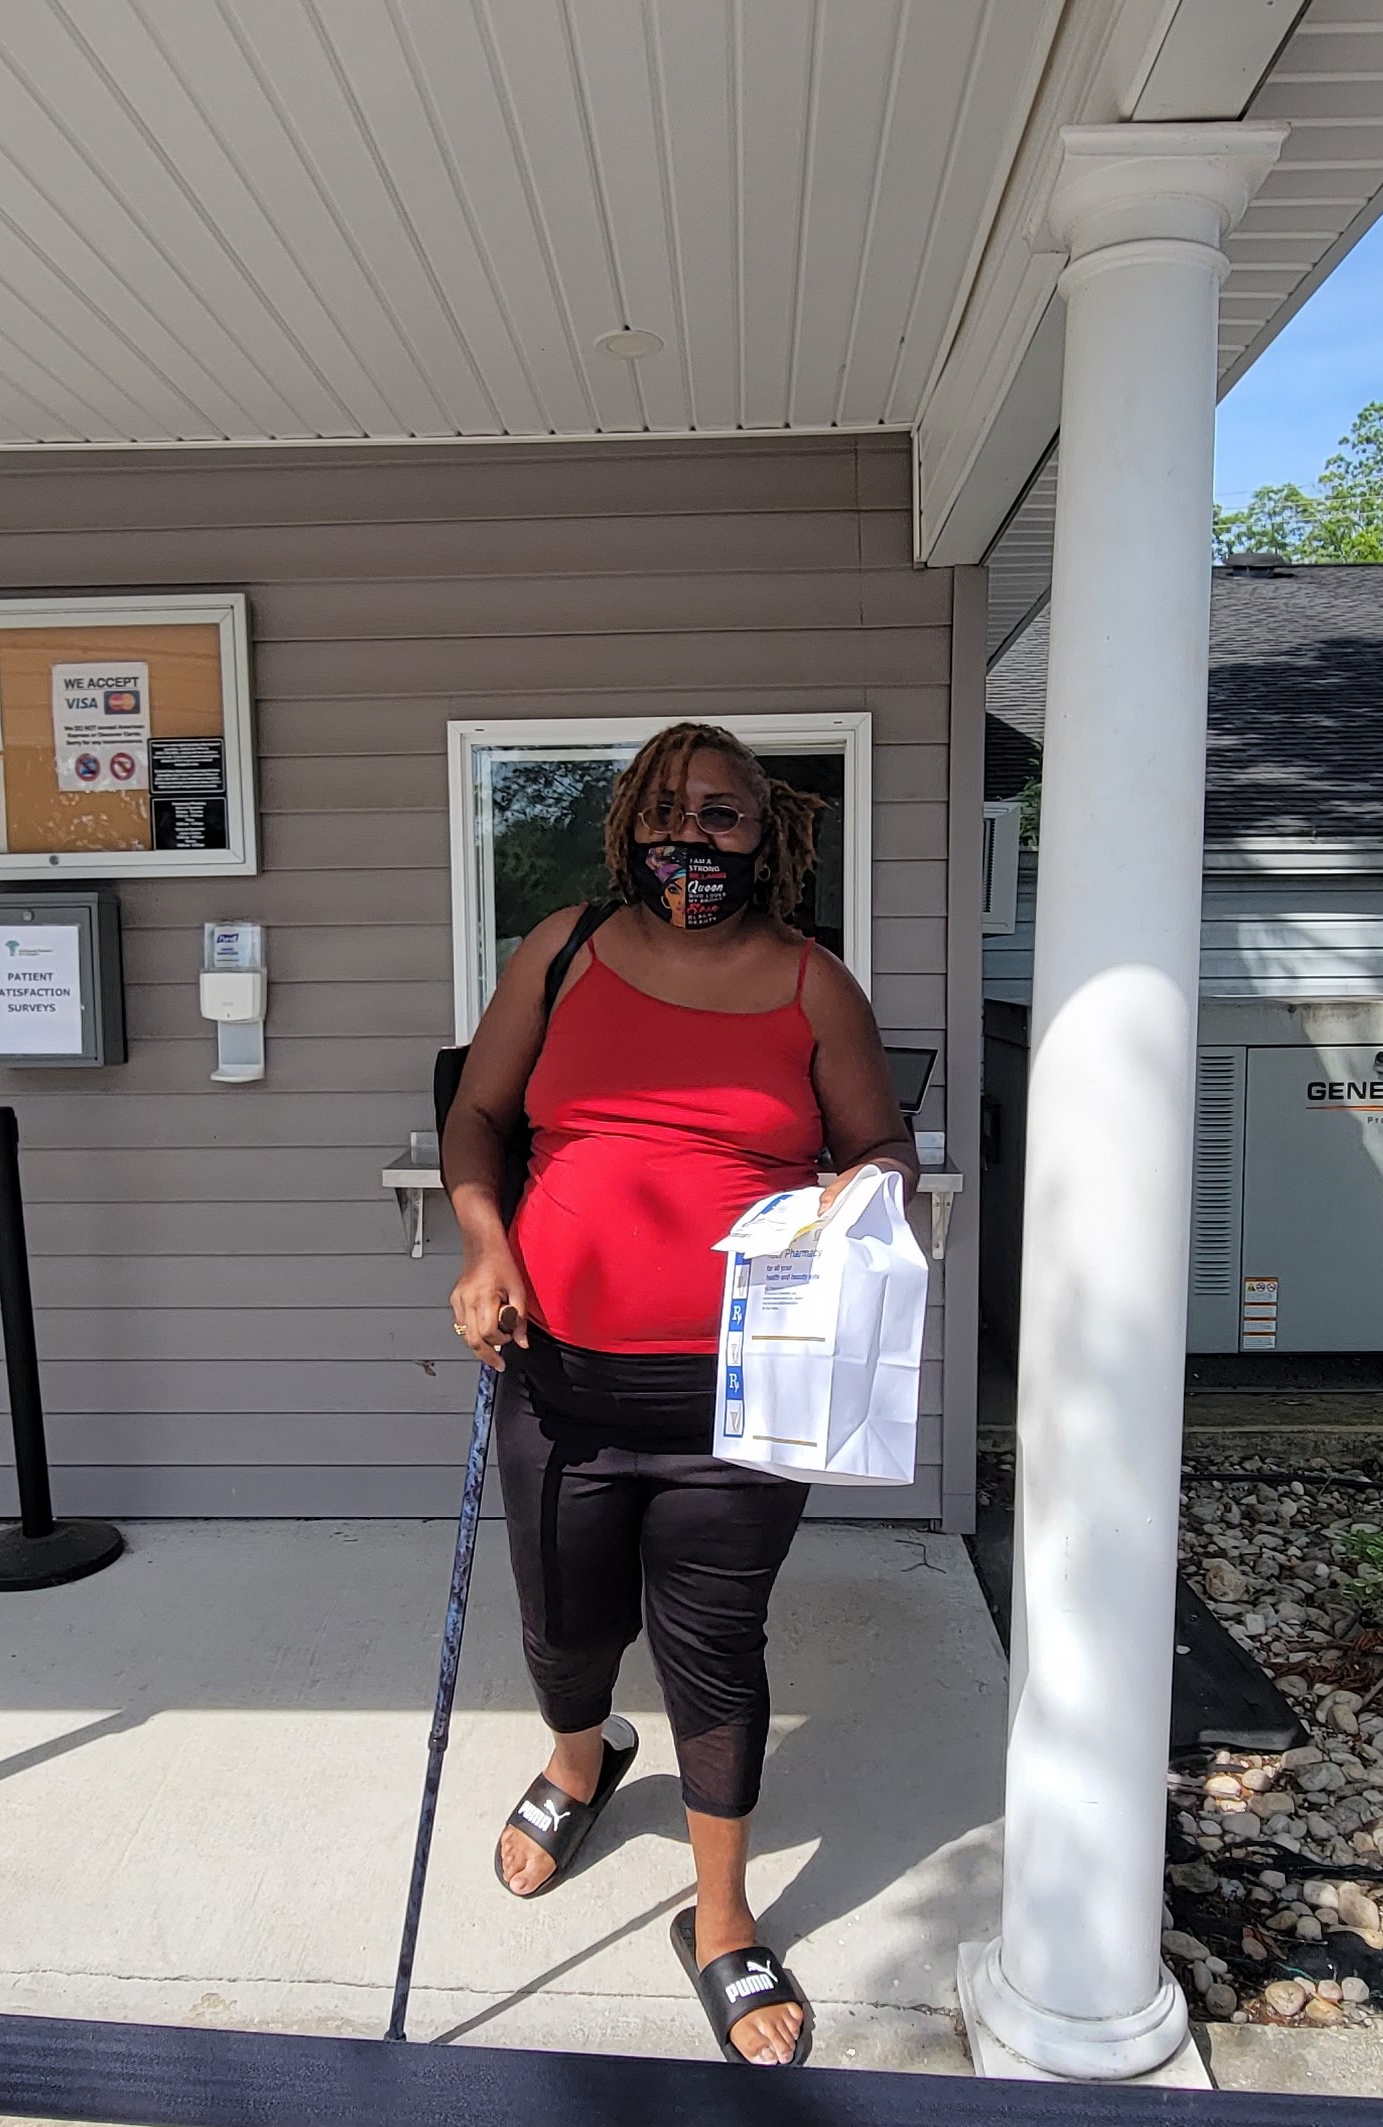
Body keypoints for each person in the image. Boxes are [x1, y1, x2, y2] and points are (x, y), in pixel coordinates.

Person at [443, 721, 916, 2067]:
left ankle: (717, 1916)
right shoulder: (565, 949)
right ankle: (582, 1760)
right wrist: (488, 1243)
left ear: (766, 836)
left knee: (716, 1647)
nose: (688, 838)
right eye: (663, 812)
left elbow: (879, 1144)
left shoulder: (814, 985)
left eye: (718, 815)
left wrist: (857, 1194)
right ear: (625, 831)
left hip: (742, 1398)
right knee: (563, 1631)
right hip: (557, 1380)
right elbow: (479, 1117)